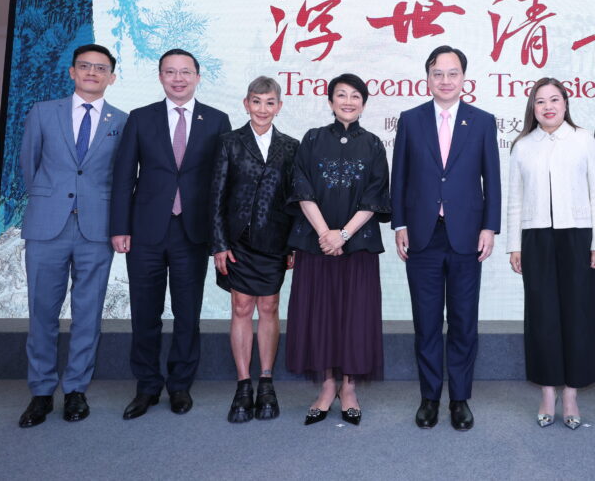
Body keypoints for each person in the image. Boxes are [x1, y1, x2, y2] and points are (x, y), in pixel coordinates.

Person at [110, 48, 231, 419]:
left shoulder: (217, 119)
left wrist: (219, 236)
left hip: (192, 233)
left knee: (186, 313)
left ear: (197, 76)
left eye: (185, 72)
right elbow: (123, 176)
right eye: (170, 72)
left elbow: (223, 183)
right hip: (145, 231)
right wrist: (119, 227)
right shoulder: (141, 118)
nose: (178, 78)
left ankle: (180, 385)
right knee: (144, 313)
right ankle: (147, 386)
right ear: (160, 76)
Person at [391, 45, 501, 431]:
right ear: (428, 77)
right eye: (438, 73)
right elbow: (399, 178)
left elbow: (493, 180)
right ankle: (429, 397)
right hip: (421, 236)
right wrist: (400, 225)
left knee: (463, 321)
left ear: (464, 79)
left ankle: (460, 399)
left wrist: (489, 227)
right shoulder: (410, 120)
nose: (445, 80)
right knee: (426, 322)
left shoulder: (483, 121)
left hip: (467, 237)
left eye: (453, 73)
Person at [18, 44, 128, 427]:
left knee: (88, 313)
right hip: (47, 227)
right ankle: (41, 392)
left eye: (101, 68)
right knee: (42, 313)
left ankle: (76, 389)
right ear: (72, 72)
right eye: (85, 66)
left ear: (112, 77)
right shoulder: (43, 112)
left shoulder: (122, 120)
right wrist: (51, 201)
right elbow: (29, 166)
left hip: (96, 229)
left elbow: (122, 177)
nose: (92, 73)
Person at [285, 73, 390, 427]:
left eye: (355, 95)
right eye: (341, 95)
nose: (348, 101)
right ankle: (327, 387)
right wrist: (325, 234)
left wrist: (342, 234)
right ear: (329, 101)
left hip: (357, 247)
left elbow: (376, 197)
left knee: (354, 317)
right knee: (321, 316)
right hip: (316, 246)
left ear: (363, 102)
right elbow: (302, 189)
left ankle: (349, 389)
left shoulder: (374, 144)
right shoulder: (312, 139)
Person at [507, 78, 595, 430]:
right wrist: (514, 245)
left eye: (554, 100)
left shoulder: (583, 140)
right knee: (542, 315)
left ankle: (571, 394)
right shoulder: (523, 146)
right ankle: (548, 390)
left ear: (565, 104)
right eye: (540, 102)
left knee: (579, 314)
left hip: (578, 236)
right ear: (532, 108)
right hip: (535, 237)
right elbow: (515, 200)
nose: (547, 106)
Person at [210, 76, 299, 423]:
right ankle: (243, 384)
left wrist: (293, 244)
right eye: (256, 102)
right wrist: (218, 243)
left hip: (275, 242)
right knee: (242, 306)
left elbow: (295, 201)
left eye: (270, 102)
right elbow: (215, 196)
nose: (263, 109)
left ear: (279, 106)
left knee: (270, 305)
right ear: (246, 104)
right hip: (237, 242)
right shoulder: (229, 143)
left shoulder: (291, 146)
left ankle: (266, 382)